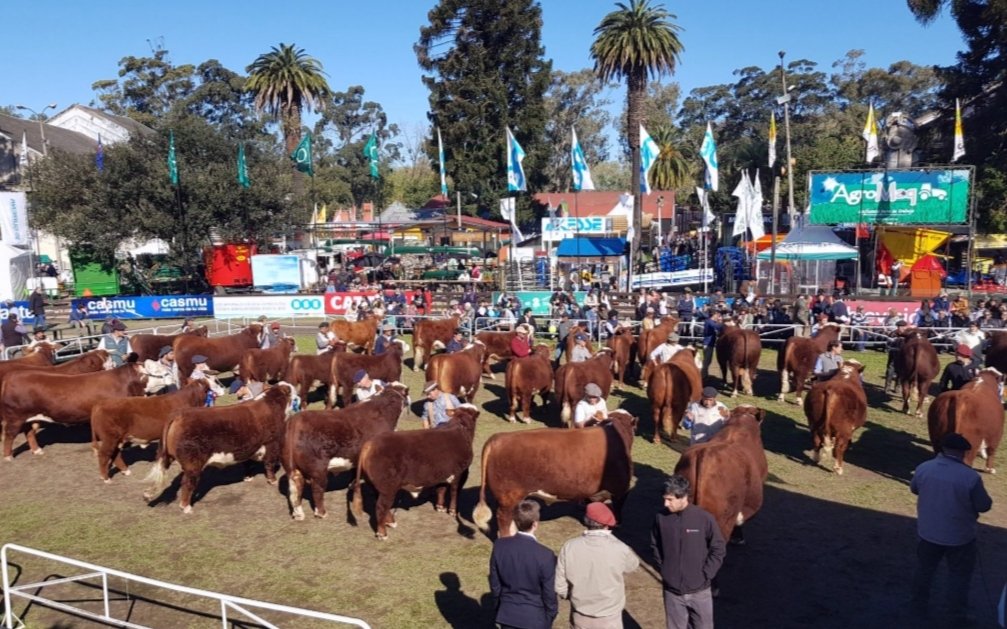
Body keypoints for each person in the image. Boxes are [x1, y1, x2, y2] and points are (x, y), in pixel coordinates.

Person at [910, 433, 993, 624]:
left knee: (924, 571)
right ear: (963, 452)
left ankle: (918, 606)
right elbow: (984, 505)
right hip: (959, 537)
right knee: (959, 576)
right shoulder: (970, 477)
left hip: (928, 532)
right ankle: (954, 614)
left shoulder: (924, 468)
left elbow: (915, 489)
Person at [652, 474, 726, 629]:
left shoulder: (704, 519)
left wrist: (706, 574)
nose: (666, 504)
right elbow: (655, 546)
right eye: (665, 498)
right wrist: (665, 570)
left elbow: (718, 548)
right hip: (672, 592)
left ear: (683, 497)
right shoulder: (660, 518)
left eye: (670, 499)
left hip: (700, 591)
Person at [555, 502, 639, 628]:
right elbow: (633, 565)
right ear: (606, 525)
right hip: (609, 616)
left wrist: (567, 595)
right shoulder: (619, 548)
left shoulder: (570, 546)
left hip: (580, 613)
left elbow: (559, 584)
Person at [488, 500, 558, 629]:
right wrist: (550, 616)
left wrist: (499, 607)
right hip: (535, 618)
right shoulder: (545, 555)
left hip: (508, 614)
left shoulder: (500, 546)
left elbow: (495, 583)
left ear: (515, 521)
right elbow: (549, 592)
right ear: (535, 524)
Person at [885, 320, 909, 393]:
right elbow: (888, 344)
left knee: (900, 371)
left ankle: (897, 386)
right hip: (894, 355)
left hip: (903, 356)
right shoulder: (893, 334)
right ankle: (887, 386)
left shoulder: (907, 335)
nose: (901, 328)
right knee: (890, 371)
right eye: (899, 327)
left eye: (903, 327)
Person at [701, 312, 724, 380]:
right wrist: (723, 323)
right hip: (708, 344)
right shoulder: (709, 322)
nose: (718, 317)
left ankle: (705, 375)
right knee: (706, 361)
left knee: (707, 361)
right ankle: (703, 376)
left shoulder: (709, 321)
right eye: (717, 315)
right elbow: (717, 326)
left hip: (708, 343)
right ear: (714, 315)